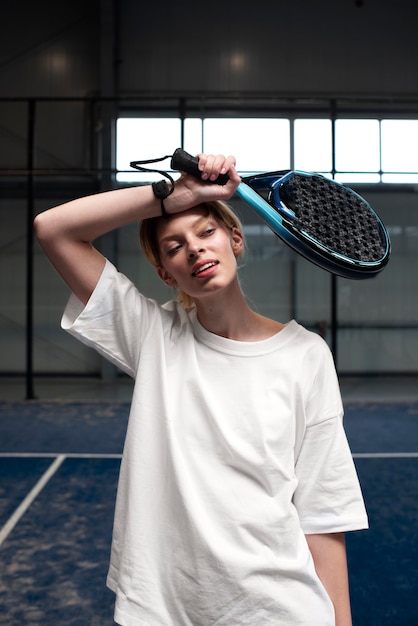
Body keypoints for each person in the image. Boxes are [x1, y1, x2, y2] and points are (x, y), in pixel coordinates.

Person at [34, 153, 368, 626]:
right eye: (174, 246)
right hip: (163, 611)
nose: (194, 249)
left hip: (280, 610)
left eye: (206, 232)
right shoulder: (153, 338)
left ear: (235, 240)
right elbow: (54, 229)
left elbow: (323, 509)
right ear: (167, 274)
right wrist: (175, 196)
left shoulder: (305, 355)